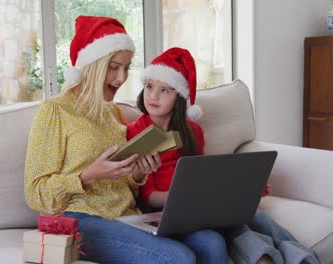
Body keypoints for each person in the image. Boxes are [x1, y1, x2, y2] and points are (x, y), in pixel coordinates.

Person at [24, 15, 228, 264]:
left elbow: (125, 183)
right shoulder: (55, 111)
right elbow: (35, 193)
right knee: (178, 257)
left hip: (129, 216)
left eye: (126, 67)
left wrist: (139, 174)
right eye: (113, 67)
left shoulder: (112, 112)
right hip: (82, 219)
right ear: (93, 65)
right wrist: (87, 175)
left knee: (212, 242)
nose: (121, 78)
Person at [128, 47, 320, 264]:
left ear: (179, 97)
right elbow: (147, 195)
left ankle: (303, 257)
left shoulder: (192, 131)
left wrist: (240, 191)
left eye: (164, 90)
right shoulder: (136, 132)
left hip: (199, 203)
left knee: (258, 219)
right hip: (165, 211)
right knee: (230, 228)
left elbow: (202, 174)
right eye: (149, 86)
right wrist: (185, 199)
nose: (153, 95)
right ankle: (265, 258)